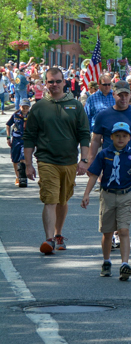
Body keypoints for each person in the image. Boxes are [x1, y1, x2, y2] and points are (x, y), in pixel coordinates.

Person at [23, 67, 91, 255]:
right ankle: (49, 239)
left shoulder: (75, 106)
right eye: (50, 81)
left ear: (64, 82)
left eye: (58, 81)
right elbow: (29, 137)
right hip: (46, 160)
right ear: (45, 83)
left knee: (62, 200)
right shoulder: (39, 107)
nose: (54, 85)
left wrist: (84, 159)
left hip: (69, 161)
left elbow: (84, 134)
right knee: (50, 199)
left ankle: (58, 234)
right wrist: (28, 165)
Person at [80, 121, 131, 281]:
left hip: (126, 195)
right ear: (111, 137)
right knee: (107, 232)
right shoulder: (104, 154)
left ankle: (124, 264)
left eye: (124, 136)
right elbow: (94, 174)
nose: (121, 138)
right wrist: (86, 194)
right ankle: (106, 261)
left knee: (123, 230)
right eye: (117, 135)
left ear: (129, 138)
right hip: (107, 195)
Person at [88, 81, 131, 168]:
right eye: (120, 95)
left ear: (130, 95)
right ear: (113, 94)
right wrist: (91, 159)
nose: (123, 98)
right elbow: (96, 140)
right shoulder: (103, 115)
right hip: (109, 163)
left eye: (126, 95)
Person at [6, 100, 30, 187]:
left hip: (26, 140)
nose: (25, 109)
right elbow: (8, 125)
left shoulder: (31, 116)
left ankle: (22, 176)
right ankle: (18, 177)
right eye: (23, 107)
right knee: (15, 159)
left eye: (27, 107)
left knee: (23, 158)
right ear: (20, 106)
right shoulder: (15, 115)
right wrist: (8, 137)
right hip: (16, 140)